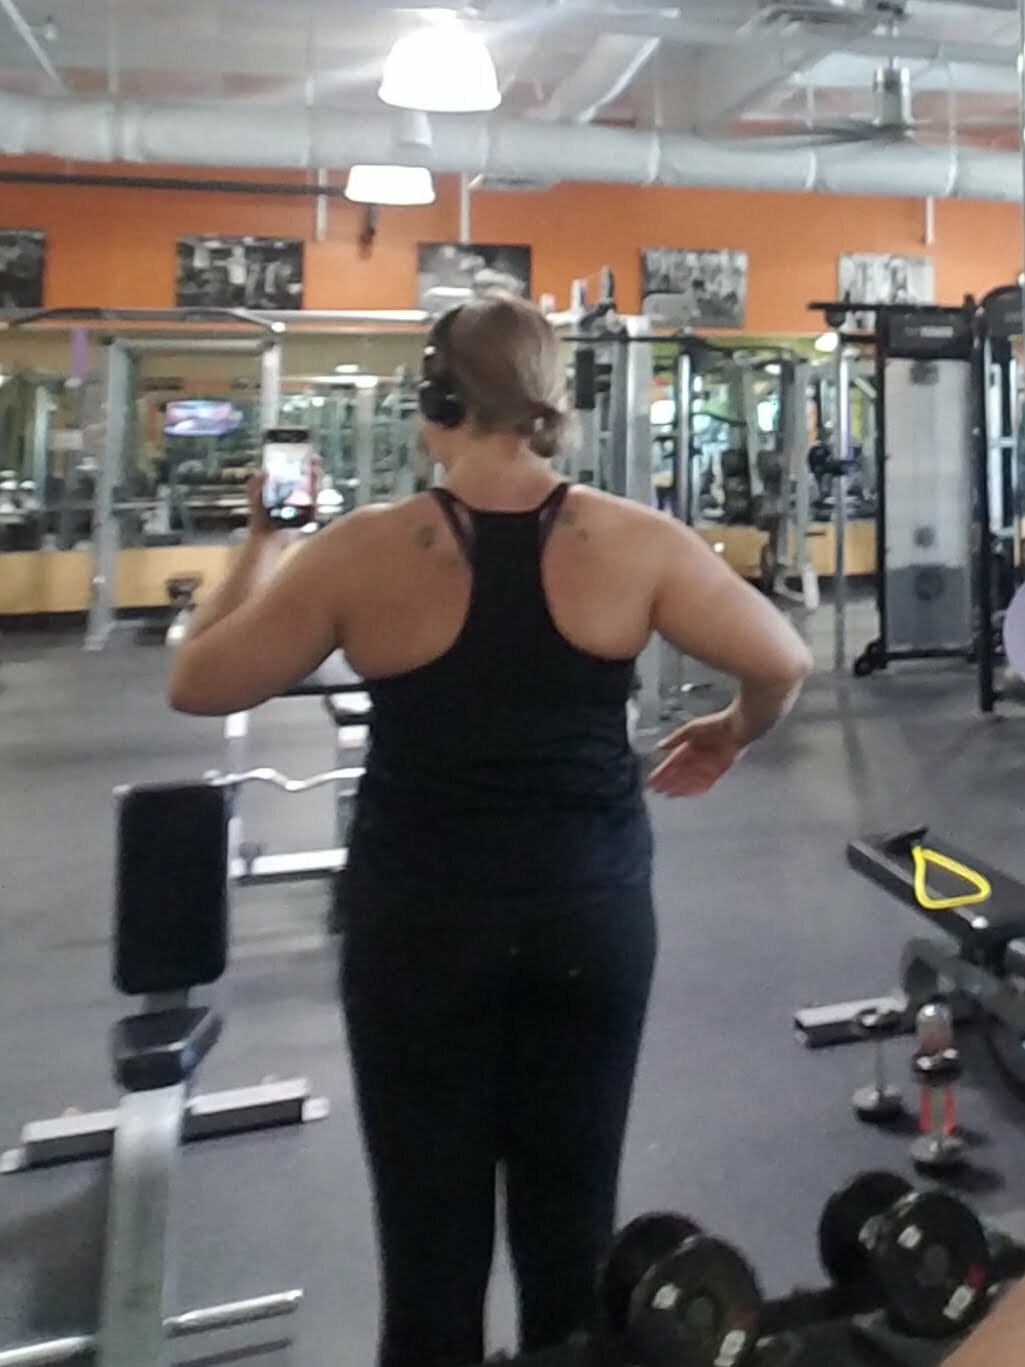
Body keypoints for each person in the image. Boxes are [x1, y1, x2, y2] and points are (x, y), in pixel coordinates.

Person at [168, 294, 812, 1367]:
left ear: (436, 399)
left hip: (420, 925)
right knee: (573, 1243)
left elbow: (198, 678)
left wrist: (261, 543)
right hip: (588, 918)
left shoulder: (364, 549)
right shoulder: (633, 540)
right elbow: (782, 659)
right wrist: (731, 731)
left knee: (429, 1248)